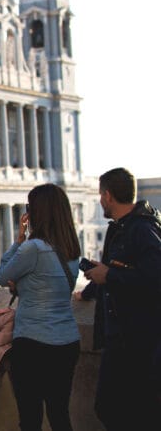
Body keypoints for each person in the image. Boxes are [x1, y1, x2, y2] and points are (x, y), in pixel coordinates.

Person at [0, 184, 81, 431]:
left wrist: (18, 240)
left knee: (31, 418)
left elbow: (2, 276)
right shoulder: (72, 250)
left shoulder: (32, 248)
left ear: (36, 213)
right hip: (67, 342)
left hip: (33, 342)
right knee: (59, 414)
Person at [82, 168, 161, 430]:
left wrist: (111, 276)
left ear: (107, 196)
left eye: (100, 195)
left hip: (136, 343)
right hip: (123, 339)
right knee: (112, 409)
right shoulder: (124, 228)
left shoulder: (141, 229)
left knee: (122, 411)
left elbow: (154, 277)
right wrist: (95, 283)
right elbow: (121, 270)